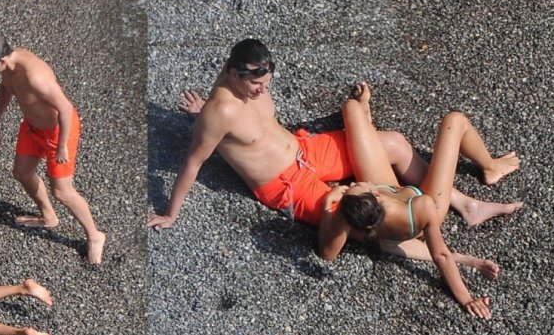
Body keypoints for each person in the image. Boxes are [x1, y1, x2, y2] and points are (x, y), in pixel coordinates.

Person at [147, 39, 511, 278]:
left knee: (396, 145)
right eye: (255, 85)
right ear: (233, 74)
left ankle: (464, 204)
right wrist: (170, 213)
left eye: (267, 84)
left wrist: (201, 114)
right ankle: (457, 257)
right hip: (286, 185)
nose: (262, 91)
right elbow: (194, 161)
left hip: (305, 149)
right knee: (361, 219)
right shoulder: (218, 113)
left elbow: (239, 117)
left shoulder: (237, 84)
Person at [318, 83, 522, 320]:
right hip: (421, 208)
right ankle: (490, 167)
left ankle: (367, 117)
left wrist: (326, 209)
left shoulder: (356, 211)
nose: (350, 184)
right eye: (355, 186)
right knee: (454, 121)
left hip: (392, 194)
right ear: (374, 194)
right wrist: (467, 298)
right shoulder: (422, 207)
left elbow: (326, 253)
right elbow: (441, 256)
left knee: (352, 108)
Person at [0, 34, 106, 263]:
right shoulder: (7, 68)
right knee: (22, 173)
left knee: (62, 191)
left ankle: (95, 236)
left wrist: (62, 145)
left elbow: (65, 108)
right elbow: (6, 89)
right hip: (32, 127)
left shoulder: (34, 76)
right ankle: (48, 216)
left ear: (1, 60)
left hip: (58, 131)